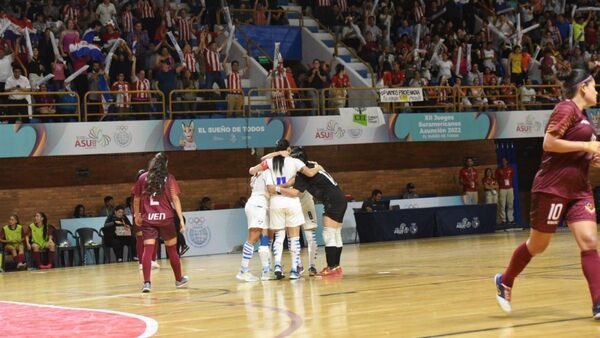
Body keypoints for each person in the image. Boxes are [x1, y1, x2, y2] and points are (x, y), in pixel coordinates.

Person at [494, 69, 600, 319]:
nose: (597, 90)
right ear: (582, 87)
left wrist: (592, 157)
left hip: (579, 189)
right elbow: (549, 143)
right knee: (538, 245)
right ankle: (505, 280)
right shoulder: (566, 109)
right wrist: (585, 146)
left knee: (589, 242)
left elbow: (582, 152)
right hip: (552, 188)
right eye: (594, 85)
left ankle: (598, 303)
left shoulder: (586, 117)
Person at [248, 139, 322, 279]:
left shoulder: (271, 162)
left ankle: (277, 265)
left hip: (277, 201)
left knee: (280, 237)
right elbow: (309, 175)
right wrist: (319, 168)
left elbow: (253, 169)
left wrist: (277, 154)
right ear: (288, 150)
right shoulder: (295, 162)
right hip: (292, 201)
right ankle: (295, 268)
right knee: (294, 237)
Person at [273, 147, 348, 277]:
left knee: (329, 234)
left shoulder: (303, 175)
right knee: (335, 234)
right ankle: (336, 267)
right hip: (340, 198)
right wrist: (283, 185)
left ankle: (331, 268)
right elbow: (296, 180)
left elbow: (295, 192)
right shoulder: (312, 164)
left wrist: (277, 188)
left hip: (332, 200)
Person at [132, 152, 188, 292]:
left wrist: (136, 215)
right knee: (172, 250)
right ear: (165, 164)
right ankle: (179, 279)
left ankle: (146, 283)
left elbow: (136, 199)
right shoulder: (169, 178)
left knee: (148, 250)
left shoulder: (142, 178)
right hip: (166, 219)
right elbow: (175, 199)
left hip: (148, 219)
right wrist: (181, 219)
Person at [236, 170, 273, 282]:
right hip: (258, 206)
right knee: (253, 238)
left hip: (260, 205)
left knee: (264, 239)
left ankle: (266, 270)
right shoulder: (268, 173)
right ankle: (243, 270)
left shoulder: (258, 174)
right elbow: (271, 190)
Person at [132, 169, 159, 270]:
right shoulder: (135, 188)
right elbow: (135, 203)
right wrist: (136, 215)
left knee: (153, 237)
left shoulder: (151, 188)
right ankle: (140, 262)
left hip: (150, 215)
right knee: (140, 238)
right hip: (139, 215)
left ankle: (152, 260)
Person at [496, 157, 515, 224]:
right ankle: (503, 220)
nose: (503, 162)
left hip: (510, 188)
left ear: (507, 161)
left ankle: (511, 219)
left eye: (504, 161)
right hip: (502, 189)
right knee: (502, 204)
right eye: (502, 161)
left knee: (510, 204)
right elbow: (497, 179)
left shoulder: (510, 169)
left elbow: (512, 177)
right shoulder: (498, 170)